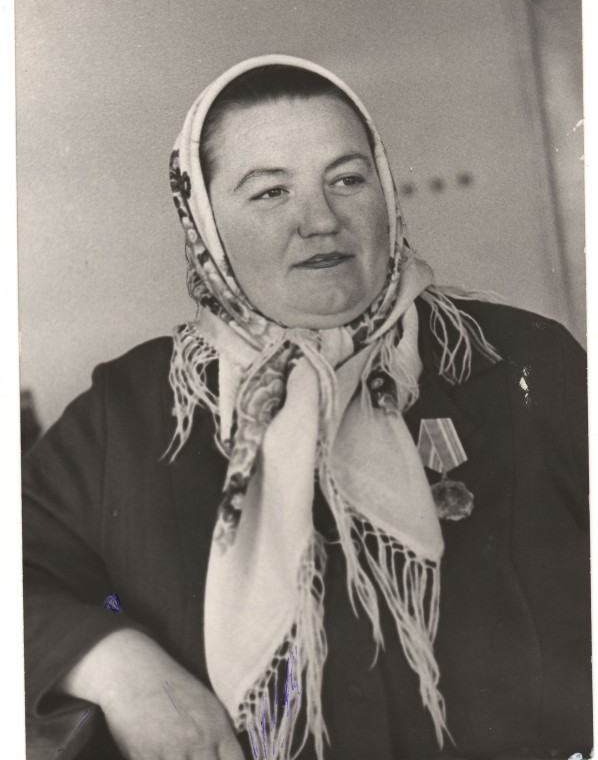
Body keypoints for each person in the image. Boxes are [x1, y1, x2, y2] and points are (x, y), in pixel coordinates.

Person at [22, 55, 591, 760]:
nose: (320, 220)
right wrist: (116, 667)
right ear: (205, 223)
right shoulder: (132, 413)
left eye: (347, 179)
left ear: (385, 190)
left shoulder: (518, 361)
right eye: (270, 193)